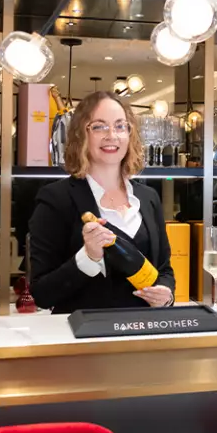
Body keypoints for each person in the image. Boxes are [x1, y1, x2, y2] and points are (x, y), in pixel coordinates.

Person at [29, 91, 175, 313]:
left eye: (120, 126)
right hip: (86, 339)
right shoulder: (55, 199)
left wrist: (166, 295)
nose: (111, 136)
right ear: (81, 135)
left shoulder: (148, 198)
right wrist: (87, 258)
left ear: (129, 134)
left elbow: (164, 269)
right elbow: (42, 294)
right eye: (99, 126)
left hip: (145, 333)